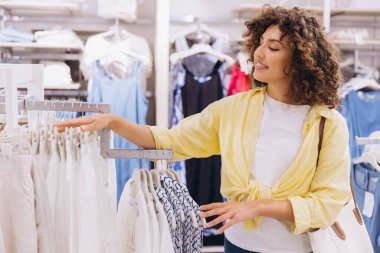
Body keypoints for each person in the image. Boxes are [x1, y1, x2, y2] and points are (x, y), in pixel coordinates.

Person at [56, 5, 351, 253]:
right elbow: (170, 141)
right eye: (259, 43)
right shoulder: (235, 109)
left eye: (272, 47)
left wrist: (259, 206)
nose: (259, 53)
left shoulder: (328, 124)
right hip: (237, 244)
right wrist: (114, 122)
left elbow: (326, 204)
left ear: (301, 60)